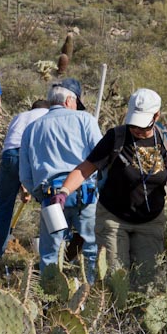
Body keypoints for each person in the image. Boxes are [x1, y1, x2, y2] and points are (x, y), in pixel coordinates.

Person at [54, 89, 167, 291]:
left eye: (141, 125)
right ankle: (113, 321)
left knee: (148, 282)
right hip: (113, 219)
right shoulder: (116, 137)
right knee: (114, 279)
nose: (136, 129)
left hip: (150, 221)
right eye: (133, 123)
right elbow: (86, 168)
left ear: (156, 116)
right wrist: (65, 190)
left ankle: (134, 321)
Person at [19, 78, 102, 280]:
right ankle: (89, 291)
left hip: (51, 196)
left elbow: (25, 174)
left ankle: (49, 298)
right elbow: (101, 157)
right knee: (90, 247)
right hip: (85, 194)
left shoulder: (32, 129)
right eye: (75, 103)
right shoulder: (85, 120)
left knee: (50, 252)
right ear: (68, 101)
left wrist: (39, 195)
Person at [0, 99, 50, 259]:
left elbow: (14, 150)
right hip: (30, 155)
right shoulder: (48, 115)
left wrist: (23, 187)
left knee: (2, 206)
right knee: (50, 202)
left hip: (9, 156)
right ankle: (48, 253)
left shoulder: (19, 116)